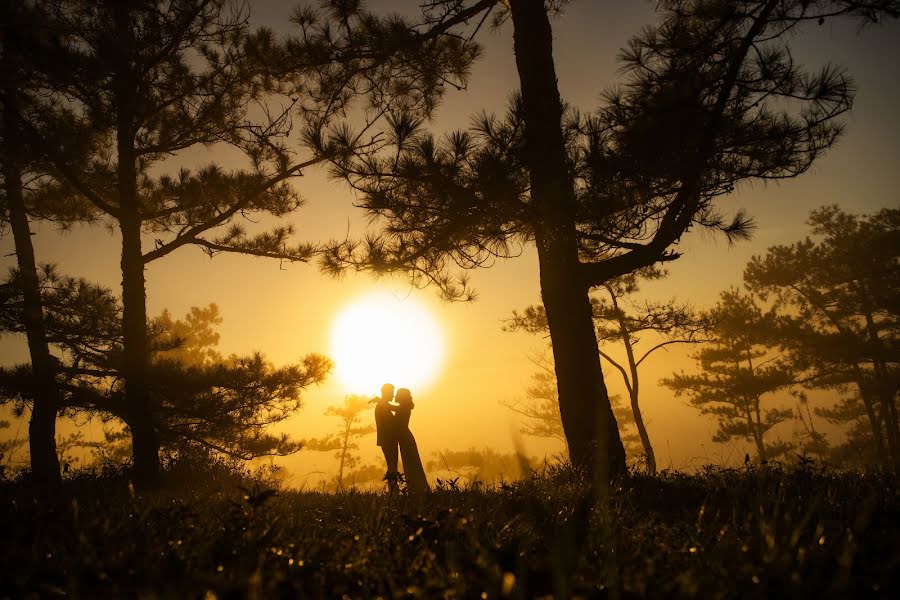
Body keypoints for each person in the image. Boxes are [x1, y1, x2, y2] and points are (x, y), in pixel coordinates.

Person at [394, 388, 429, 494]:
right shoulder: (404, 406)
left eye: (398, 394)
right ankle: (416, 490)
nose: (396, 396)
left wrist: (382, 402)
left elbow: (391, 407)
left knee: (412, 464)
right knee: (410, 465)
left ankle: (418, 490)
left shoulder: (404, 407)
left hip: (406, 439)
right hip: (405, 438)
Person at [373, 383, 399, 491]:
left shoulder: (383, 405)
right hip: (388, 441)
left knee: (392, 466)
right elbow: (387, 425)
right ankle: (393, 490)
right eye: (392, 393)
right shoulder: (381, 406)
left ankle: (393, 490)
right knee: (392, 466)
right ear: (386, 393)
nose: (393, 395)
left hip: (388, 440)